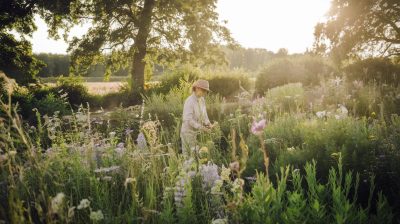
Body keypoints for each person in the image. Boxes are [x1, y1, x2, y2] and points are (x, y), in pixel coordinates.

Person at [180, 79, 214, 156]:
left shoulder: (202, 100)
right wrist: (201, 128)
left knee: (197, 157)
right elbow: (188, 120)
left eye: (206, 91)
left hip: (197, 133)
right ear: (197, 88)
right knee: (188, 157)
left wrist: (209, 124)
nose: (205, 93)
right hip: (188, 133)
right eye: (204, 90)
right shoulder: (189, 101)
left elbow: (204, 115)